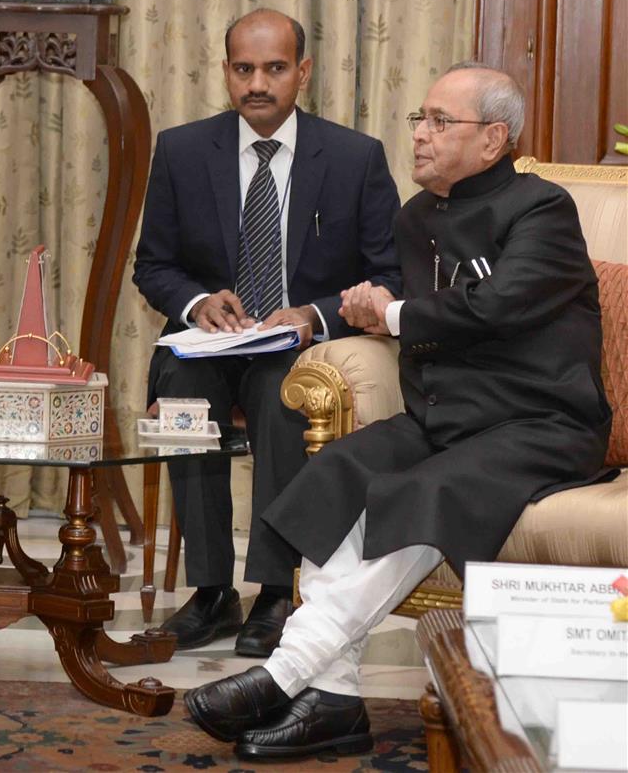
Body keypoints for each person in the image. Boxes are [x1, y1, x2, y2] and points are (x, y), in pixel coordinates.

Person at [183, 62, 612, 761]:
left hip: (539, 423)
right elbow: (408, 319)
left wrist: (395, 313)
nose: (421, 134)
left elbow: (501, 305)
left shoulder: (542, 209)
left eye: (442, 122)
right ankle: (335, 702)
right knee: (338, 471)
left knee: (424, 492)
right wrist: (371, 314)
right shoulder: (416, 218)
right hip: (445, 419)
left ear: (494, 138)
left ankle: (286, 673)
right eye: (420, 117)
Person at [133, 8, 402, 657]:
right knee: (179, 385)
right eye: (244, 68)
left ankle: (275, 590)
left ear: (301, 73)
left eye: (274, 68)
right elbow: (154, 265)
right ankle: (210, 591)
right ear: (226, 71)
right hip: (213, 340)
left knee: (285, 392)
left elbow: (389, 273)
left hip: (298, 343)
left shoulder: (353, 158)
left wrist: (312, 315)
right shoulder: (182, 148)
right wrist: (198, 304)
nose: (258, 83)